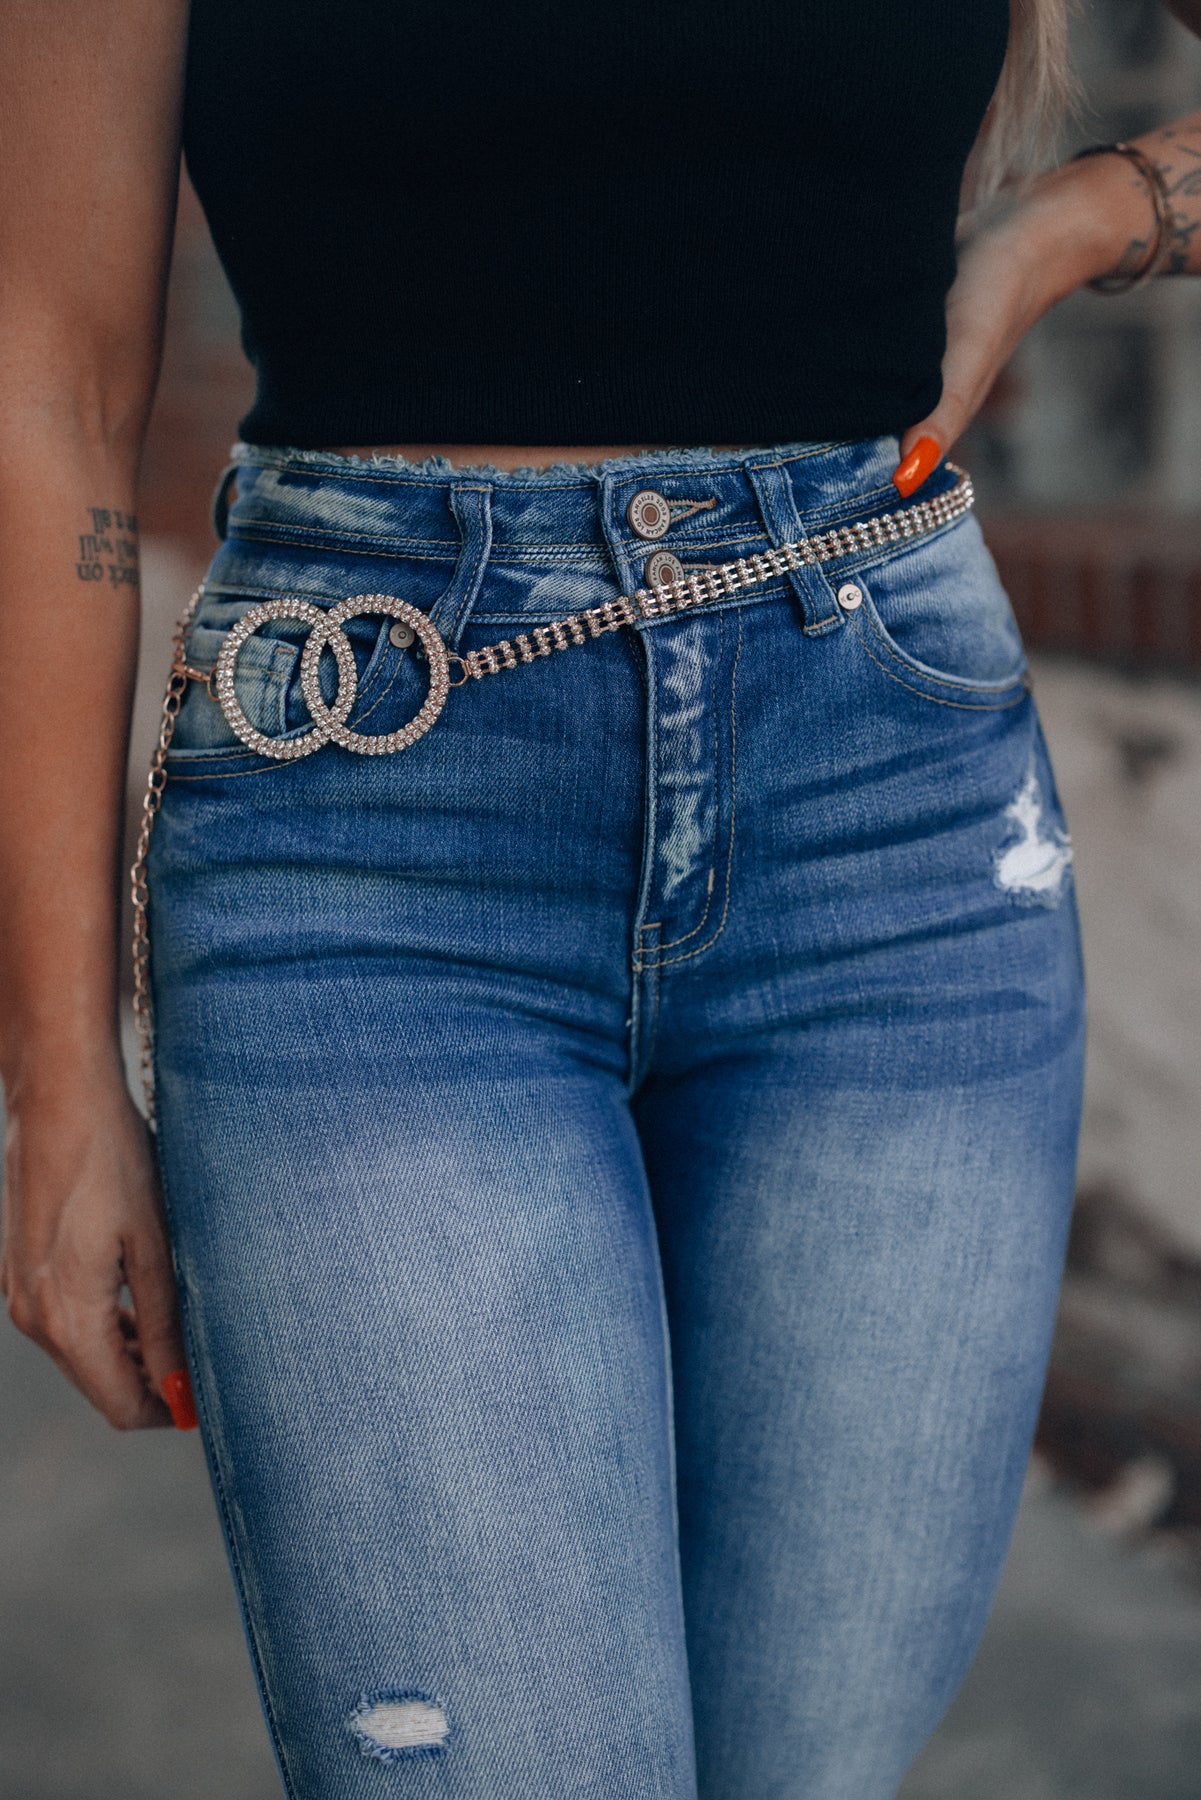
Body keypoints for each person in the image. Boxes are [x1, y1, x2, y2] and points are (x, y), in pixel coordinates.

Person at [2, 3, 1198, 1795]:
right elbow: (51, 390)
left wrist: (1070, 223)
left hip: (887, 824)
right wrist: (59, 1077)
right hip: (372, 831)